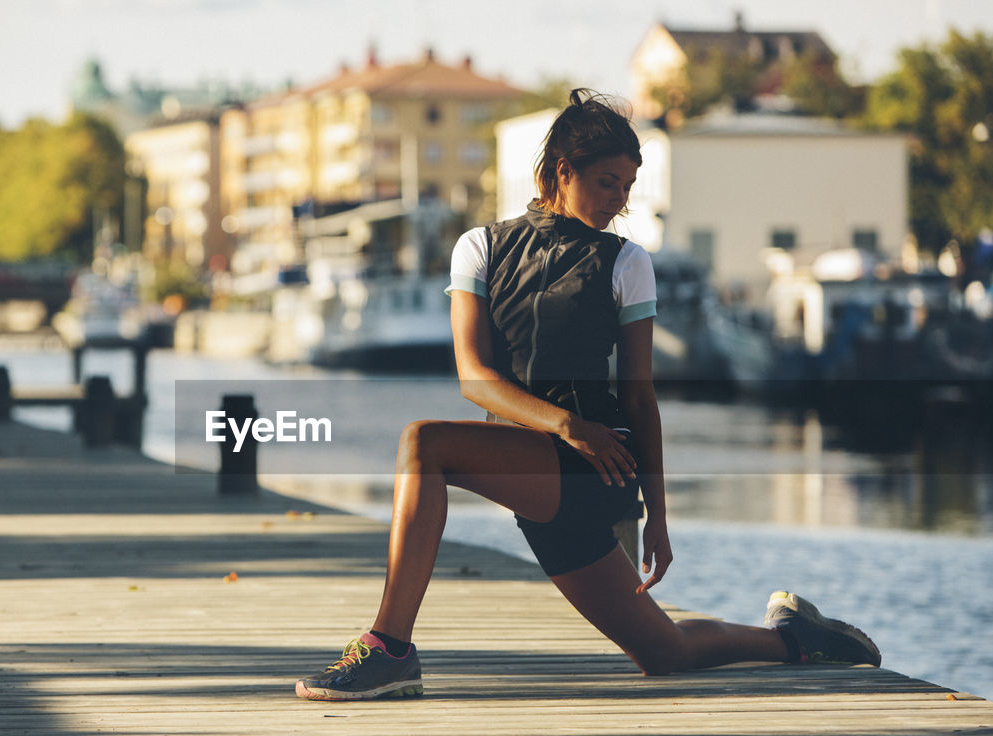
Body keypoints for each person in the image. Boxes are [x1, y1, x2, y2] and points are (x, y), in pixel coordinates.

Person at [295, 89, 880, 701]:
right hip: (541, 460)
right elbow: (475, 378)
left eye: (628, 186)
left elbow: (641, 398)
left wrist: (657, 515)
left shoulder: (627, 262)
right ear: (562, 172)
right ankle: (796, 638)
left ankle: (389, 649)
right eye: (607, 183)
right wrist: (563, 425)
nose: (620, 201)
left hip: (596, 465)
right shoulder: (481, 247)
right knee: (665, 653)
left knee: (425, 445)